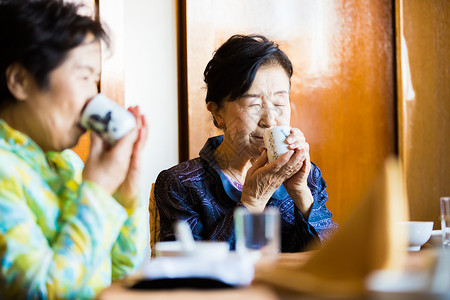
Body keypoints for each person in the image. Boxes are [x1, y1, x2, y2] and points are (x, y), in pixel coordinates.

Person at [0, 1, 148, 298]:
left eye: (95, 81)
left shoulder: (66, 164)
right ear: (20, 81)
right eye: (83, 77)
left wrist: (122, 196)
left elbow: (123, 275)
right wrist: (97, 190)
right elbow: (41, 291)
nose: (93, 98)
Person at [155, 34, 337, 252]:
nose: (270, 120)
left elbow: (337, 259)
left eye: (280, 103)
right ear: (217, 112)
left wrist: (301, 192)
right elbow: (188, 274)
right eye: (253, 105)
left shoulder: (308, 176)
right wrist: (252, 200)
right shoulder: (182, 184)